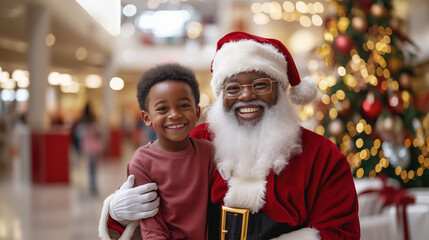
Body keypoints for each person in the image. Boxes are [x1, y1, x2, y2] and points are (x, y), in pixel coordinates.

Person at [99, 32, 360, 239]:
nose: (246, 96)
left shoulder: (323, 156)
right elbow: (153, 200)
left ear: (280, 90)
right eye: (233, 88)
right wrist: (117, 213)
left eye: (260, 84)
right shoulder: (199, 140)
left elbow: (341, 233)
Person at [100, 63, 215, 239]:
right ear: (147, 118)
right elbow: (151, 225)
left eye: (184, 105)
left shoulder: (208, 152)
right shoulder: (142, 161)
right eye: (162, 109)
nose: (174, 114)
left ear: (197, 112)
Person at [73, 102, 103, 195]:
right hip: (95, 146)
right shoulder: (93, 119)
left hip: (86, 146)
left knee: (89, 167)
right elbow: (98, 132)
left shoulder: (82, 121)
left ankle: (91, 185)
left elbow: (79, 134)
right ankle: (93, 185)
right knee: (94, 167)